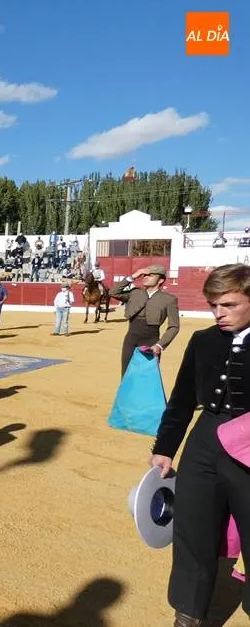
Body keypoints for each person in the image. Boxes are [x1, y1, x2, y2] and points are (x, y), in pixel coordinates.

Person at [149, 263, 250, 626]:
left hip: (249, 446)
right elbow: (182, 399)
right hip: (205, 441)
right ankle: (188, 612)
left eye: (230, 305)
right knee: (192, 527)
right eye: (214, 306)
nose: (219, 314)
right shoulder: (203, 340)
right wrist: (165, 447)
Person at [109, 264, 180, 376]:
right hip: (131, 340)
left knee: (147, 377)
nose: (145, 277)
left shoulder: (169, 299)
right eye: (144, 275)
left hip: (151, 342)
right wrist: (132, 277)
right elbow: (113, 292)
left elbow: (174, 326)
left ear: (160, 280)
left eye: (150, 275)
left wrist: (159, 345)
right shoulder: (134, 293)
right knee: (127, 374)